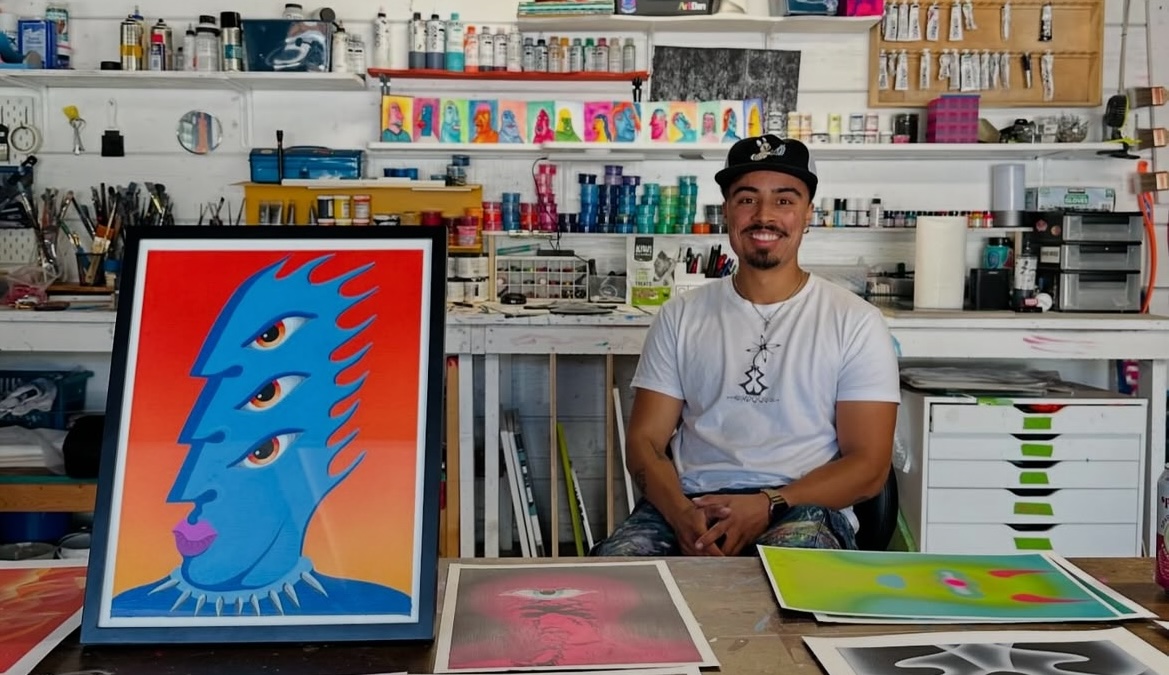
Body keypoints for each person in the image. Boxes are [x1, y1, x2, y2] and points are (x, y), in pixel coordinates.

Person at [591, 135, 901, 558]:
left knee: (790, 588)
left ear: (808, 214)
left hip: (803, 506)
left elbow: (868, 466)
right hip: (693, 503)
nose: (764, 215)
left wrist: (770, 503)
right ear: (727, 212)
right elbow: (645, 442)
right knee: (616, 579)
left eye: (784, 200)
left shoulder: (856, 322)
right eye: (747, 199)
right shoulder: (681, 316)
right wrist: (681, 515)